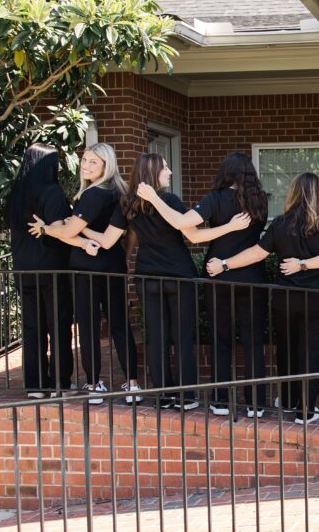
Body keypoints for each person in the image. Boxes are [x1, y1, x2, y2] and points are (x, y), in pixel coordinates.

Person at [89, 153, 247, 410]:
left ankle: (163, 396)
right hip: (179, 275)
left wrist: (78, 227)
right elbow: (194, 235)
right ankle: (186, 397)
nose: (170, 172)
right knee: (183, 337)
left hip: (147, 276)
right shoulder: (169, 200)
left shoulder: (127, 203)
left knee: (156, 338)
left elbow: (107, 240)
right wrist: (229, 227)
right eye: (165, 168)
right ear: (153, 172)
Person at [207, 173, 319, 425]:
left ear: (293, 193)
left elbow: (257, 253)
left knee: (286, 350)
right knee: (312, 355)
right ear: (318, 195)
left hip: (285, 299)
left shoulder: (281, 224)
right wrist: (304, 264)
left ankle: (289, 399)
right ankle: (305, 410)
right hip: (317, 299)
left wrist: (225, 264)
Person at [140, 153, 268, 418]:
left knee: (220, 340)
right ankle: (256, 403)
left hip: (218, 276)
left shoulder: (215, 199)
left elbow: (183, 225)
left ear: (225, 172)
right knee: (254, 342)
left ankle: (220, 401)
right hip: (252, 277)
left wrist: (153, 198)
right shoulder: (260, 200)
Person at [28, 143, 140, 404]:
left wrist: (46, 228)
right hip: (113, 266)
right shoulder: (120, 192)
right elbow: (131, 234)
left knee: (89, 327)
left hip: (86, 268)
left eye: (93, 162)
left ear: (106, 166)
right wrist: (123, 257)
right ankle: (133, 384)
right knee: (120, 325)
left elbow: (68, 232)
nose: (86, 166)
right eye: (85, 160)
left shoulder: (92, 195)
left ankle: (93, 385)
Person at [6, 143, 73, 398]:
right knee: (59, 325)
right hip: (53, 267)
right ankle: (59, 383)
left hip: (23, 268)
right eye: (56, 161)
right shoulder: (51, 192)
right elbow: (61, 230)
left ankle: (35, 384)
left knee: (32, 328)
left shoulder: (16, 192)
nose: (59, 167)